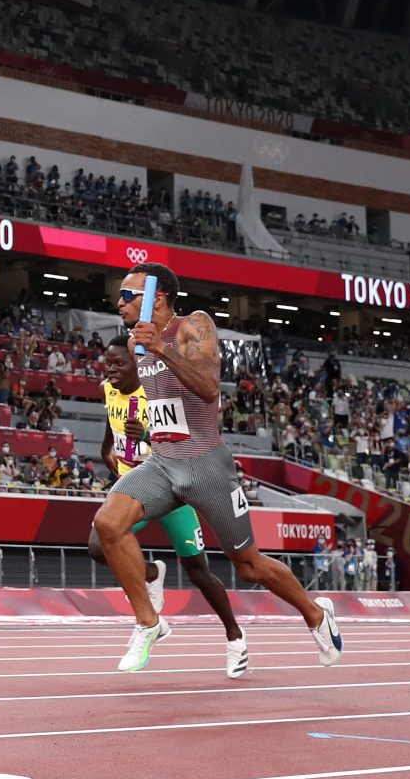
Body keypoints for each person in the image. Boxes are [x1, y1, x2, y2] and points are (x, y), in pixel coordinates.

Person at [95, 263, 341, 671]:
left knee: (249, 566)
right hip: (163, 463)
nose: (118, 302)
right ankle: (148, 621)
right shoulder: (138, 343)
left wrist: (161, 348)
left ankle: (316, 615)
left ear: (156, 297)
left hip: (206, 464)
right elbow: (162, 407)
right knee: (107, 524)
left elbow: (208, 388)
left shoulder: (194, 325)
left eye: (127, 295)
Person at [95, 334, 247, 678]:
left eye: (119, 363)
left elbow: (185, 437)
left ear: (138, 365)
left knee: (198, 572)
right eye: (107, 362)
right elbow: (109, 437)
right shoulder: (108, 390)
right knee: (98, 545)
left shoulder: (157, 391)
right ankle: (151, 578)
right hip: (135, 491)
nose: (111, 369)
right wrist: (116, 465)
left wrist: (145, 437)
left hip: (171, 486)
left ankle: (234, 636)